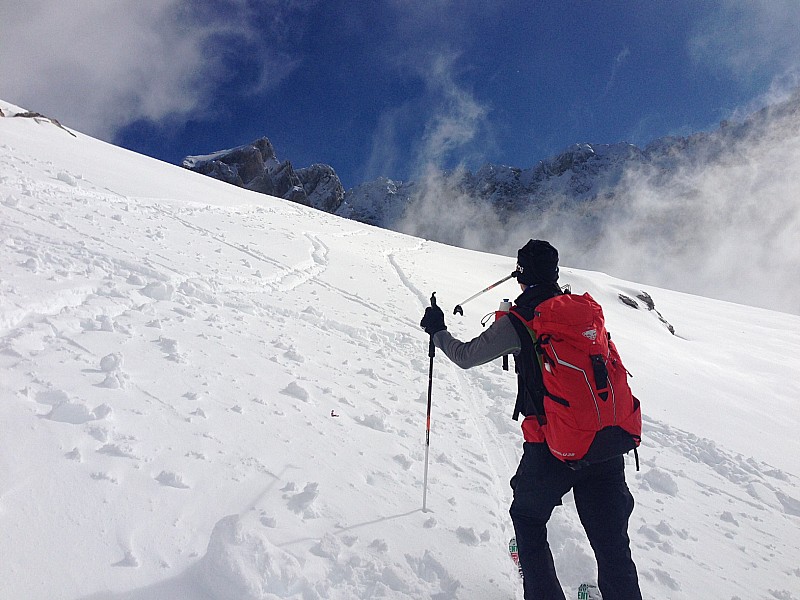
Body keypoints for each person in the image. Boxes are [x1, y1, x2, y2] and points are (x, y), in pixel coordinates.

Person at [420, 240, 642, 600]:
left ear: (521, 276)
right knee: (612, 543)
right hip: (607, 440)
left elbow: (466, 356)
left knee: (527, 518)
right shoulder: (584, 310)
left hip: (553, 446)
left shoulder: (520, 320)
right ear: (554, 274)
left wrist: (438, 330)